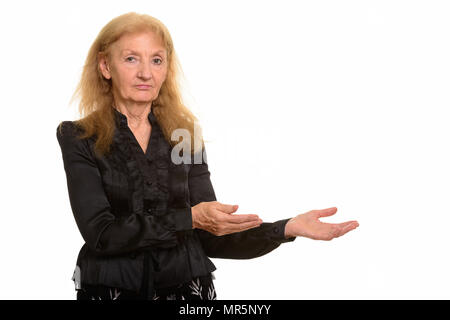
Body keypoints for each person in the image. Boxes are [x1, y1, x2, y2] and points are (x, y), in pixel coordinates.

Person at [56, 12, 359, 300]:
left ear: (167, 68)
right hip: (111, 289)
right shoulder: (79, 136)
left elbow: (210, 236)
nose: (146, 73)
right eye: (131, 59)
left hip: (188, 291)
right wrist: (189, 218)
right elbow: (102, 234)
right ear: (106, 66)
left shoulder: (185, 136)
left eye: (157, 60)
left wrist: (286, 228)